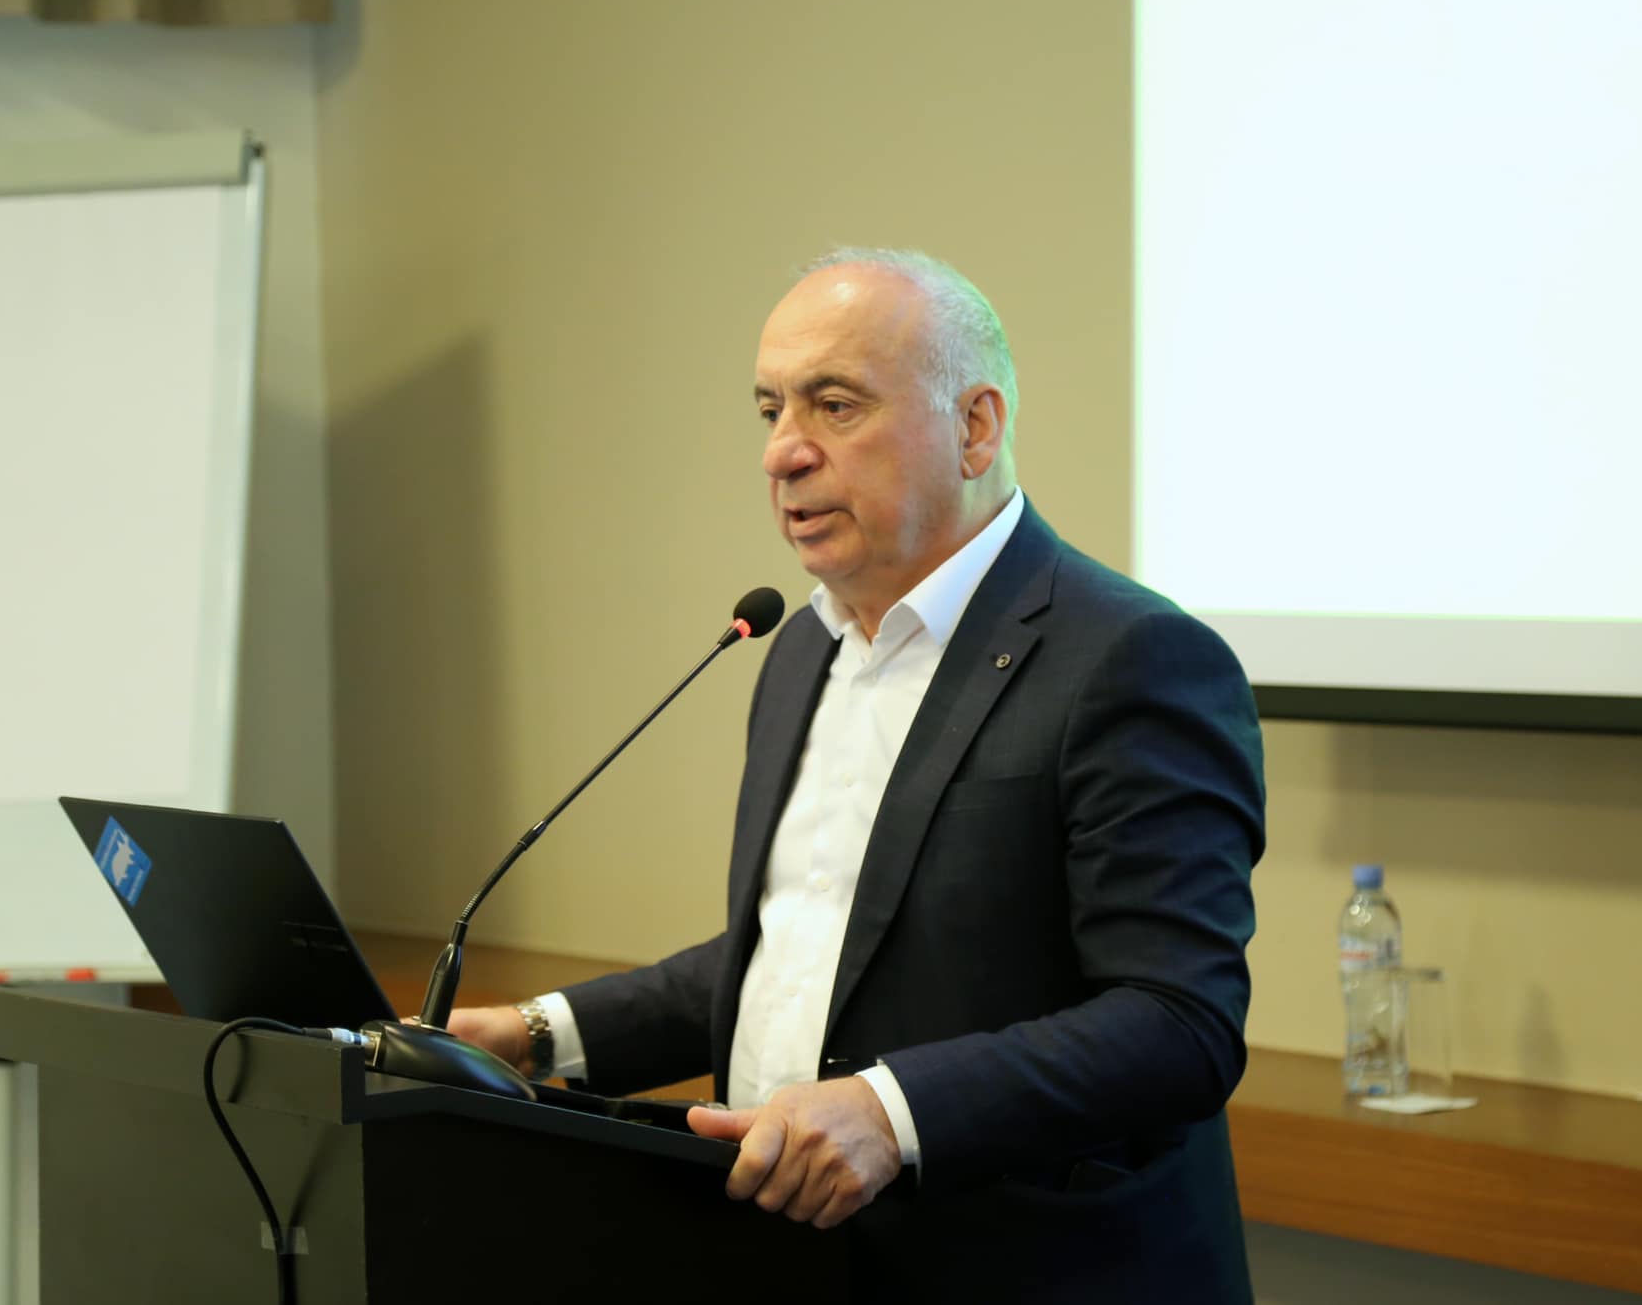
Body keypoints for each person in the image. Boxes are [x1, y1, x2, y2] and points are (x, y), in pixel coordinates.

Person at [447, 247, 1265, 1300]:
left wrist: (890, 1111)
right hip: (785, 1257)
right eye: (769, 410)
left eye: (833, 406)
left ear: (975, 427)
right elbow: (804, 942)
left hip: (1025, 1269)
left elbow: (1176, 1023)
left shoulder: (1129, 657)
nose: (781, 453)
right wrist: (537, 1035)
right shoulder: (799, 648)